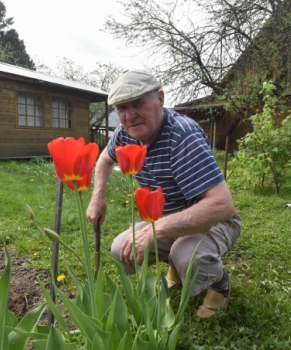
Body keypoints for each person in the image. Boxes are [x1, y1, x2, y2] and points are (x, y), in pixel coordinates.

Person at [86, 69, 242, 318]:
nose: (129, 115)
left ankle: (219, 284)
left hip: (213, 222)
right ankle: (175, 267)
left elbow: (223, 206)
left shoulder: (182, 136)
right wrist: (97, 199)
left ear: (160, 98)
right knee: (120, 249)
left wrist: (157, 230)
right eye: (121, 108)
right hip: (167, 220)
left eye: (137, 103)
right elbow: (105, 159)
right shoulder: (125, 133)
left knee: (186, 255)